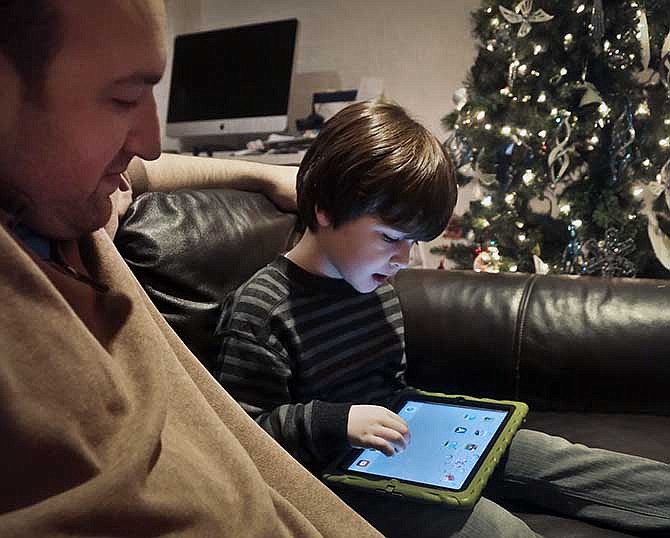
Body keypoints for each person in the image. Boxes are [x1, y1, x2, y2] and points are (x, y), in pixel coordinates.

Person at [0, 1, 383, 536]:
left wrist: (265, 175)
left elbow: (149, 169)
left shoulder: (69, 198)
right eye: (123, 99)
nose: (151, 141)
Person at [216, 99, 670, 538]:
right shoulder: (263, 310)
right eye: (391, 236)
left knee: (562, 459)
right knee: (496, 530)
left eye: (412, 241)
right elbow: (239, 438)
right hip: (331, 478)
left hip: (399, 445)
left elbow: (391, 388)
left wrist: (448, 420)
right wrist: (336, 422)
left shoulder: (377, 291)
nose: (403, 258)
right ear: (325, 210)